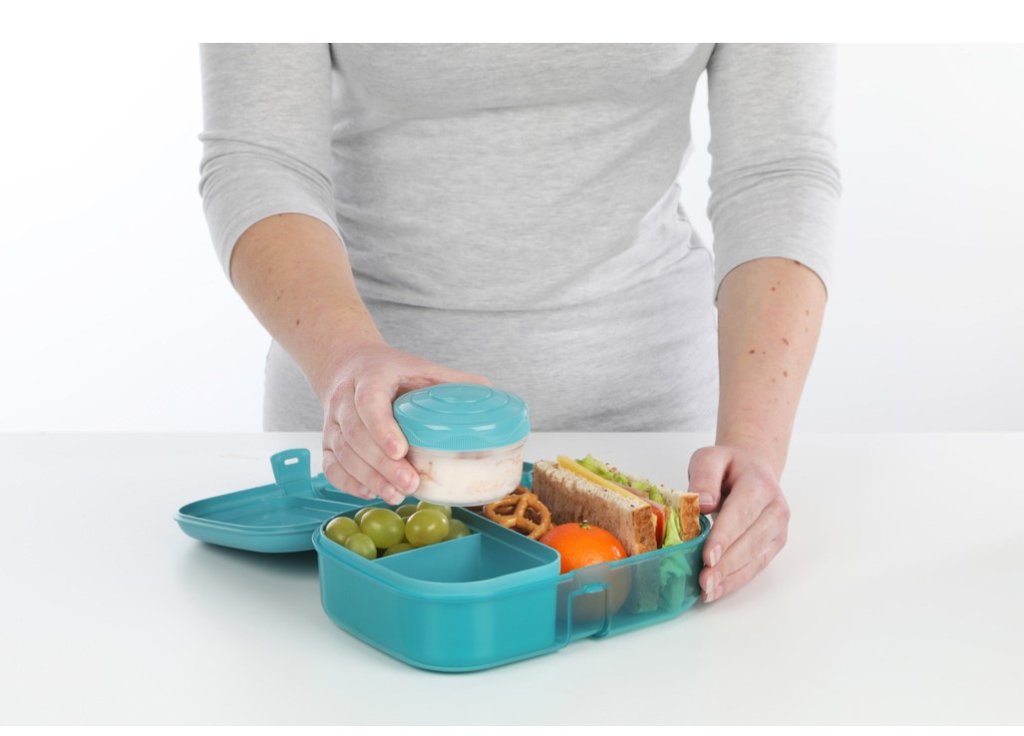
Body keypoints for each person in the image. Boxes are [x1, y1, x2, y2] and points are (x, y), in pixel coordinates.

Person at [198, 44, 840, 604]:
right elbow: (260, 155)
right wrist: (347, 358)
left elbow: (777, 169)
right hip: (367, 447)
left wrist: (754, 446)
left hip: (652, 447)